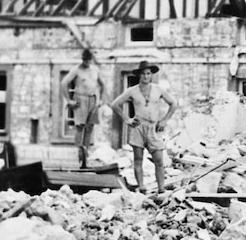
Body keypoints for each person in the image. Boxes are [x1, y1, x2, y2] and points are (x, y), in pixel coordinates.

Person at [110, 60, 177, 194]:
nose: (146, 76)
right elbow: (115, 105)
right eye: (143, 74)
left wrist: (164, 120)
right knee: (138, 159)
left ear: (151, 75)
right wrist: (127, 120)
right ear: (139, 75)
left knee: (159, 160)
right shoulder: (132, 91)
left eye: (148, 74)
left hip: (153, 128)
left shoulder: (158, 90)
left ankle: (161, 189)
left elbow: (173, 103)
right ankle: (141, 187)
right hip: (138, 127)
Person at [61, 49, 106, 169]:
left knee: (90, 127)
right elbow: (64, 83)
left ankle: (86, 154)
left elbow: (103, 84)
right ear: (82, 59)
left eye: (89, 60)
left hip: (93, 99)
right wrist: (69, 100)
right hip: (80, 99)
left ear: (91, 59)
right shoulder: (77, 69)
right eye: (85, 60)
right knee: (80, 126)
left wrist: (101, 99)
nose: (87, 62)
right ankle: (79, 155)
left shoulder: (95, 69)